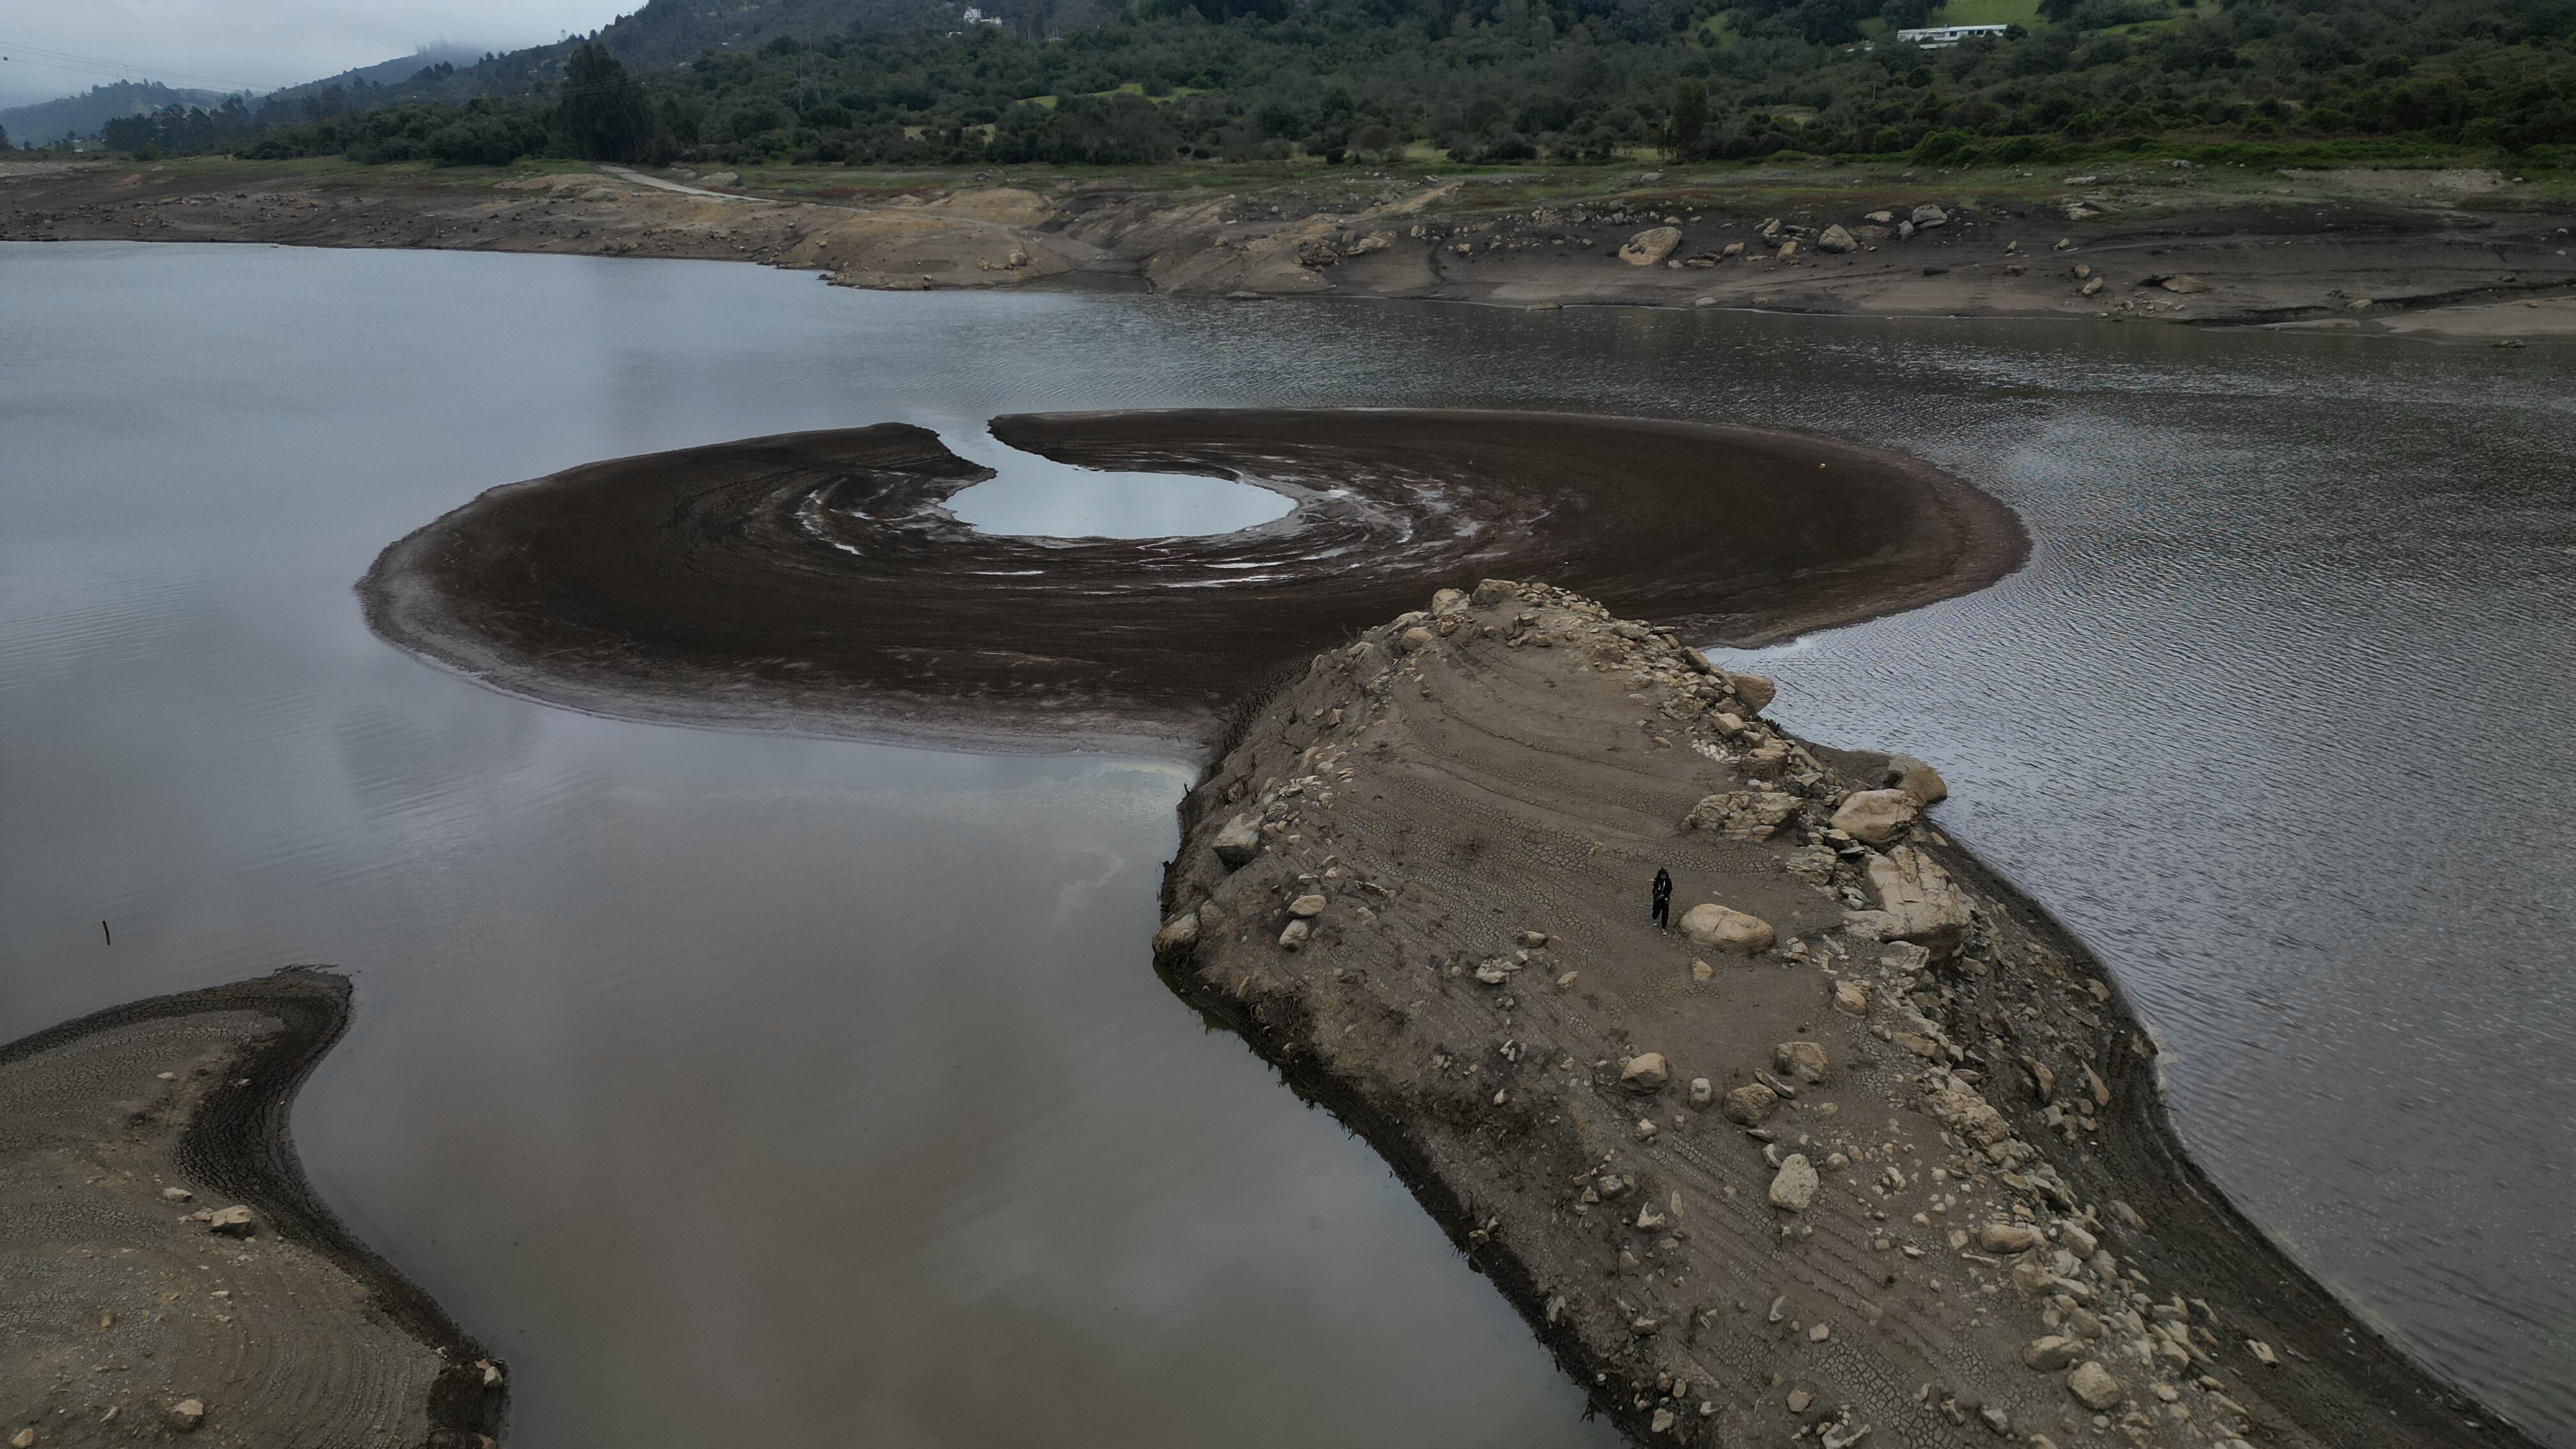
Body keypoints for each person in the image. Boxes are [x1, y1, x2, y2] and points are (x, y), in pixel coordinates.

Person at [1651, 866, 1673, 930]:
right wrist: (1655, 883)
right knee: (1656, 911)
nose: (1664, 877)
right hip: (1658, 899)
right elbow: (1656, 888)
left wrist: (1664, 895)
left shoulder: (1668, 881)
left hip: (1665, 899)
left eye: (1665, 876)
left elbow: (1669, 890)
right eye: (1662, 876)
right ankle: (1654, 918)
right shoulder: (1657, 880)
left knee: (1665, 913)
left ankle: (1664, 926)